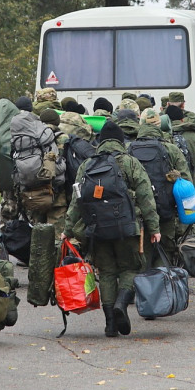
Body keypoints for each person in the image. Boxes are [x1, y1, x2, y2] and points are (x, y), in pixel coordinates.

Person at [64, 121, 160, 337]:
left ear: (100, 142)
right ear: (120, 140)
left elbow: (75, 201)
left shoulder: (86, 165)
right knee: (131, 267)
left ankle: (109, 323)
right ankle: (121, 304)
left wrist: (68, 229)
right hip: (127, 228)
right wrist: (154, 228)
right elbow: (146, 197)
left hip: (97, 229)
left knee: (106, 272)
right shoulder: (130, 162)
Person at [131, 107, 192, 266]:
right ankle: (164, 284)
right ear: (159, 125)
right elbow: (186, 182)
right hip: (165, 209)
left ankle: (144, 286)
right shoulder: (170, 149)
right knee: (165, 250)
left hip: (137, 212)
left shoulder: (129, 149)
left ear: (141, 125)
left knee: (141, 253)